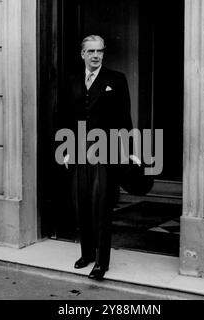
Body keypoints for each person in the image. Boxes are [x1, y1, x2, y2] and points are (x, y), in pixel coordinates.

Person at [59, 35, 134, 280]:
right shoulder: (71, 81)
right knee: (81, 204)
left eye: (99, 51)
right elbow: (66, 119)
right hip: (79, 150)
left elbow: (125, 118)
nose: (95, 55)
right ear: (82, 54)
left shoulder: (116, 79)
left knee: (101, 205)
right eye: (90, 51)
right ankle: (87, 253)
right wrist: (66, 148)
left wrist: (128, 150)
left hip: (106, 150)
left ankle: (102, 262)